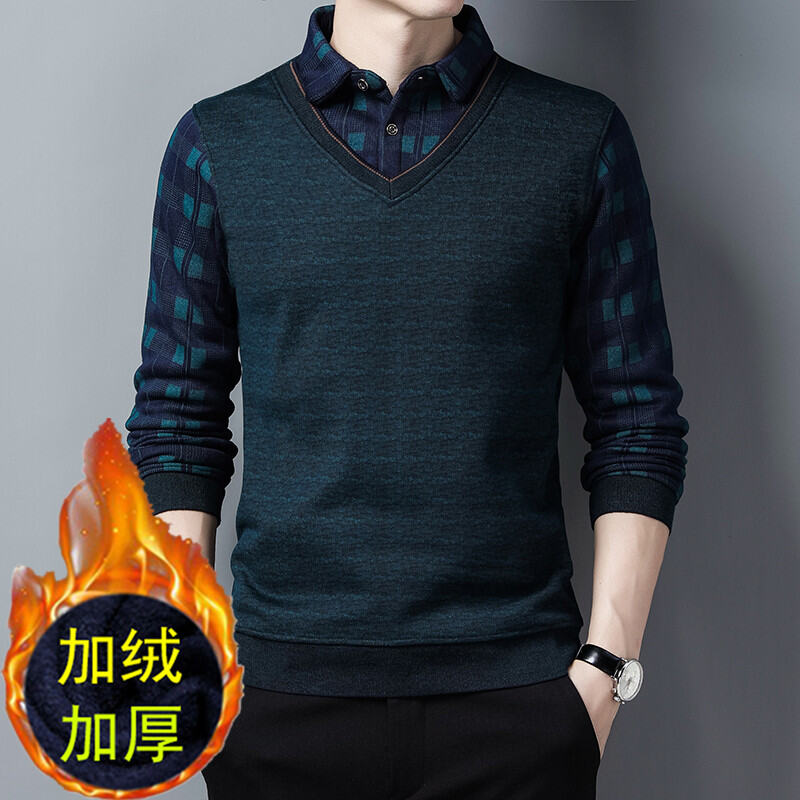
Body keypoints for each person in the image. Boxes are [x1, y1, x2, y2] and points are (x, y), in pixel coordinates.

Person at [125, 2, 690, 797]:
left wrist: (603, 672)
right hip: (276, 705)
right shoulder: (219, 144)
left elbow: (637, 421)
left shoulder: (578, 138)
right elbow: (177, 425)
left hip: (518, 706)